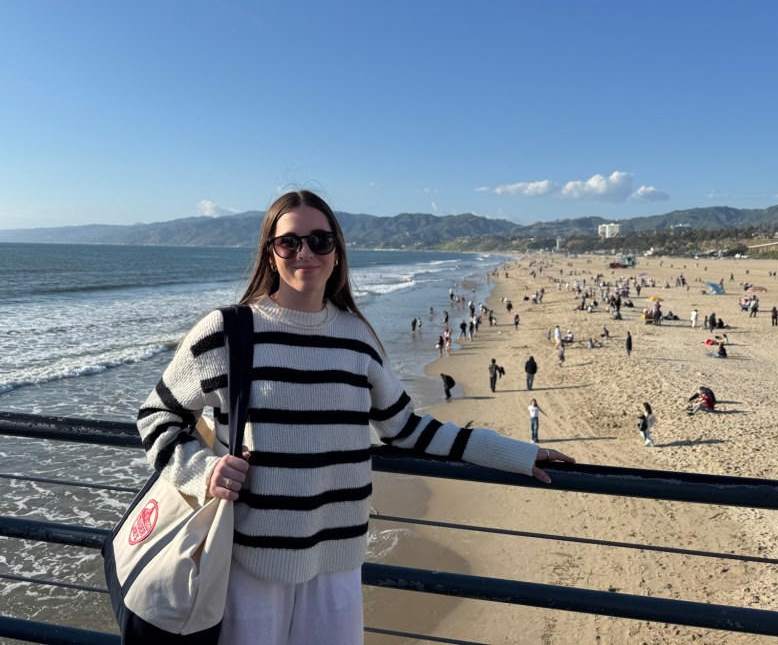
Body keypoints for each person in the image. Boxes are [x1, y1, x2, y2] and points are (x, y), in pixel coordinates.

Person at [135, 190, 575, 645]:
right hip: (250, 564)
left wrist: (515, 453)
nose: (305, 252)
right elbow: (156, 415)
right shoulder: (227, 331)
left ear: (338, 252)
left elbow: (406, 428)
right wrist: (203, 472)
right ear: (270, 255)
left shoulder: (356, 336)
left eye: (320, 241)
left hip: (338, 564)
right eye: (289, 243)